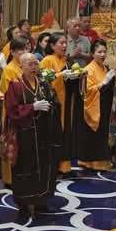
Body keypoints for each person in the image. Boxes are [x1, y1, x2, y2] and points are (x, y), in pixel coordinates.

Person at [3, 53, 61, 217]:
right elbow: (11, 110)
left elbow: (55, 101)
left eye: (36, 63)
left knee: (45, 168)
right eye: (30, 64)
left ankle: (41, 201)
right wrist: (32, 107)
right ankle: (24, 204)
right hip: (25, 137)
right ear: (21, 66)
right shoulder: (15, 86)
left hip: (44, 135)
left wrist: (52, 105)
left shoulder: (44, 84)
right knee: (25, 169)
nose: (34, 67)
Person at [75, 40, 115, 171]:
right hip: (93, 107)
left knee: (103, 135)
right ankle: (89, 162)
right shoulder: (88, 70)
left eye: (104, 52)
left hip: (104, 106)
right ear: (92, 54)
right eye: (99, 52)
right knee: (93, 136)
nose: (102, 54)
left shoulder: (105, 68)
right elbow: (87, 91)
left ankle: (103, 161)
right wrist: (103, 83)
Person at [41, 35, 76, 174]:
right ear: (52, 46)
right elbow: (43, 80)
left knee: (66, 132)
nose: (65, 46)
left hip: (67, 100)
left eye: (66, 43)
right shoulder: (47, 60)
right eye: (61, 43)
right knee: (54, 133)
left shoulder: (67, 61)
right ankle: (53, 166)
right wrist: (61, 75)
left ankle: (65, 166)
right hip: (54, 103)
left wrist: (76, 77)